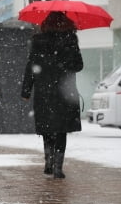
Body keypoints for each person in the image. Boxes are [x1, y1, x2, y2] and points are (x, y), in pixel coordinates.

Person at [21, 12, 83, 179]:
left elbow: (31, 67)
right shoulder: (70, 40)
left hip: (44, 92)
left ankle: (48, 161)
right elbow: (78, 66)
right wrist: (67, 60)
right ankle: (57, 168)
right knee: (61, 130)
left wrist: (26, 91)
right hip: (64, 92)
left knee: (47, 128)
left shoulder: (38, 41)